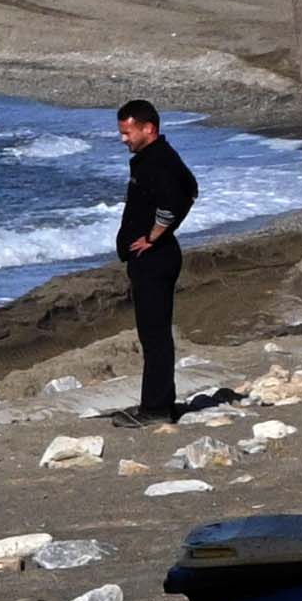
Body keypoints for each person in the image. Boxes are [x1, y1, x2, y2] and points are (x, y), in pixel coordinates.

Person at [115, 99, 197, 420]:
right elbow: (191, 189)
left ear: (148, 129)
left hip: (155, 258)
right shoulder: (155, 157)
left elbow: (177, 198)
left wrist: (154, 235)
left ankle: (156, 408)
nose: (124, 138)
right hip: (153, 256)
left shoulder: (158, 161)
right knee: (154, 334)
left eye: (127, 132)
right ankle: (158, 402)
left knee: (155, 337)